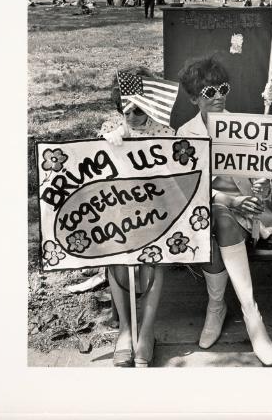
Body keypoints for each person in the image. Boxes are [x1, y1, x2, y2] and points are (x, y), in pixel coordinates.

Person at [176, 56, 272, 366]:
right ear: (195, 98)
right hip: (205, 215)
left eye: (223, 88)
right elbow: (189, 189)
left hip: (249, 216)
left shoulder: (244, 127)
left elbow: (264, 178)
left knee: (221, 221)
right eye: (209, 92)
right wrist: (230, 201)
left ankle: (238, 313)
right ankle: (234, 310)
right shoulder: (186, 133)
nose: (219, 96)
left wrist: (263, 188)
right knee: (217, 218)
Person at [100, 67, 175, 367]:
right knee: (113, 252)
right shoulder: (111, 127)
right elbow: (93, 170)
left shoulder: (165, 132)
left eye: (138, 110)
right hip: (119, 213)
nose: (131, 117)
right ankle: (125, 330)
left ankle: (146, 330)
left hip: (155, 213)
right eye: (126, 109)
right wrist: (112, 139)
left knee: (157, 257)